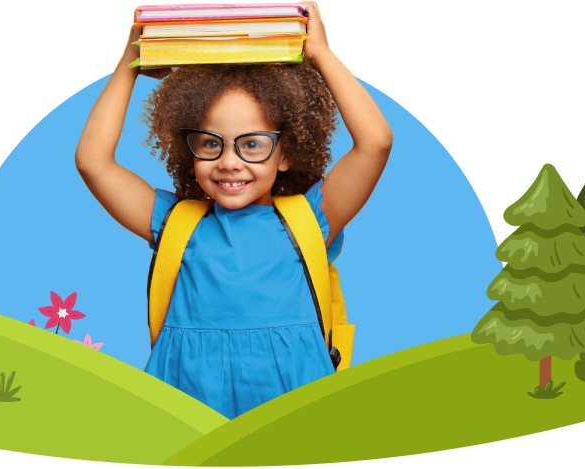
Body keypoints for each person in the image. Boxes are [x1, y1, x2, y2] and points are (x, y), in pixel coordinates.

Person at [75, 1, 392, 419]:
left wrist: (322, 55)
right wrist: (127, 66)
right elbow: (93, 162)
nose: (229, 162)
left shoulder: (311, 219)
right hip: (187, 399)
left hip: (292, 404)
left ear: (285, 153)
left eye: (253, 144)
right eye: (210, 143)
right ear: (187, 149)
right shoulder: (176, 223)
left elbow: (376, 143)